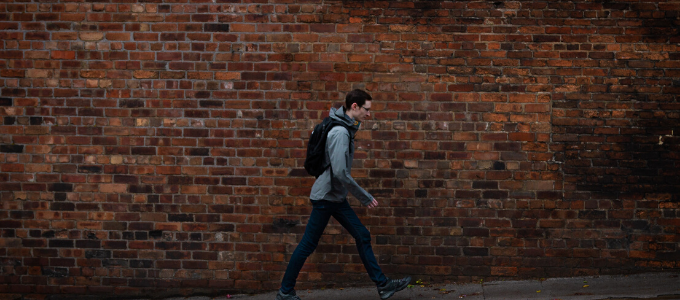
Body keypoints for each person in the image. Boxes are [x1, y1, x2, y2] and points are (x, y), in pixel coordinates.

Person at [276, 89, 411, 300]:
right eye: (366, 110)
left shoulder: (345, 128)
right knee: (308, 244)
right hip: (326, 198)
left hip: (335, 198)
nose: (369, 114)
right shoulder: (340, 132)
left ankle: (383, 285)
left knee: (362, 235)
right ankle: (285, 291)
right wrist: (364, 196)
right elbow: (340, 172)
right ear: (354, 107)